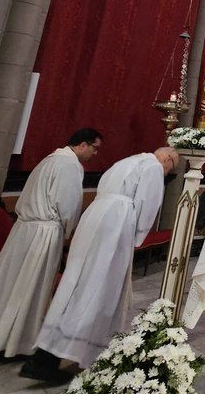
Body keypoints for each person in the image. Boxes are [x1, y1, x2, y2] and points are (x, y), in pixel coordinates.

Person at [22, 146, 178, 380]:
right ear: (166, 158)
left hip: (94, 218)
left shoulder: (125, 161)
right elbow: (148, 203)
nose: (166, 173)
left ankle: (49, 352)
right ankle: (64, 354)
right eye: (171, 168)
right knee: (98, 289)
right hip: (116, 225)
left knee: (75, 283)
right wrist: (138, 237)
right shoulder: (153, 167)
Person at [0, 128, 102, 358]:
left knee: (14, 284)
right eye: (95, 148)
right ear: (83, 144)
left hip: (25, 229)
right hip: (44, 233)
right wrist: (68, 230)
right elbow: (67, 204)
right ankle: (17, 342)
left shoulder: (49, 160)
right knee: (30, 287)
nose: (95, 154)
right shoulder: (69, 165)